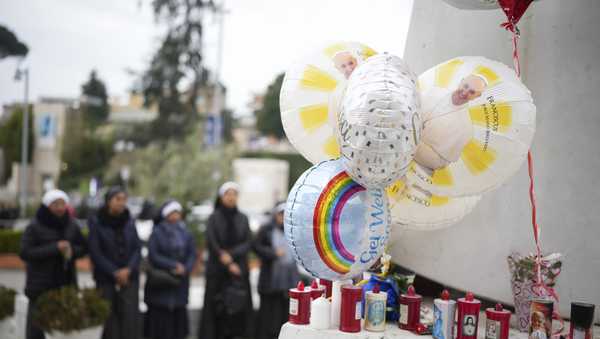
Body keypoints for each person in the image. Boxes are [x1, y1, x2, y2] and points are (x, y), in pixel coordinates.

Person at [20, 189, 87, 339]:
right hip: (40, 285)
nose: (60, 208)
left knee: (63, 328)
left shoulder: (71, 224)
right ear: (46, 205)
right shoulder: (35, 226)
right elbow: (25, 252)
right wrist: (54, 248)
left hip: (65, 283)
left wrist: (71, 250)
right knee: (37, 327)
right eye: (55, 204)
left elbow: (83, 248)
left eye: (63, 204)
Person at [199, 182, 253, 339]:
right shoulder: (213, 218)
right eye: (228, 194)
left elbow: (248, 242)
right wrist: (226, 259)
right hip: (217, 269)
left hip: (238, 270)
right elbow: (212, 241)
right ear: (221, 197)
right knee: (215, 309)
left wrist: (232, 256)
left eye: (234, 194)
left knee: (238, 310)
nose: (231, 197)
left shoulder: (243, 218)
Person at [88, 186, 141, 339]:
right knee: (108, 321)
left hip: (129, 278)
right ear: (108, 201)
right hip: (106, 279)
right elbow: (95, 252)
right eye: (118, 199)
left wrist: (128, 269)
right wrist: (114, 272)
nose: (121, 203)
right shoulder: (97, 222)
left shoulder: (129, 221)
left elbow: (137, 248)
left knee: (129, 320)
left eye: (124, 200)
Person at [145, 200, 197, 339]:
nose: (175, 216)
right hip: (162, 282)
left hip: (180, 282)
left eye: (177, 213)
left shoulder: (186, 233)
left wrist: (185, 268)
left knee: (178, 326)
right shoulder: (157, 232)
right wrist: (173, 265)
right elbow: (154, 255)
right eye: (172, 213)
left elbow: (192, 254)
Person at [414, 74, 488, 171]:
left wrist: (412, 142)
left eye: (472, 92)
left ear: (477, 96)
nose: (465, 92)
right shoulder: (434, 91)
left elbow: (439, 162)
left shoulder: (465, 129)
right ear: (461, 81)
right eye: (465, 86)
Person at [254, 202, 300, 339]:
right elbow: (256, 246)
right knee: (268, 314)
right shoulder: (266, 229)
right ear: (275, 215)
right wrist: (273, 253)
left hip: (288, 281)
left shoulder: (293, 229)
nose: (283, 216)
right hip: (270, 281)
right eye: (281, 213)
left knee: (284, 313)